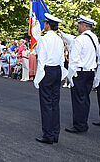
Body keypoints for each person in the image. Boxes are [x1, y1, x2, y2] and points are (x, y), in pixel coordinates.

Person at [63, 15, 99, 133]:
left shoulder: (80, 39)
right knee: (85, 99)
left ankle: (79, 125)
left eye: (79, 25)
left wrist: (70, 75)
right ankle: (83, 123)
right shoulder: (94, 38)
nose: (78, 27)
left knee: (78, 99)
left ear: (83, 26)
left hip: (80, 73)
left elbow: (74, 59)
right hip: (90, 72)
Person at [34, 13, 65, 144]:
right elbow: (62, 58)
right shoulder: (59, 39)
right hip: (57, 70)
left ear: (47, 25)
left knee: (46, 104)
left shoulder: (44, 39)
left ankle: (48, 135)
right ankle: (55, 133)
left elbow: (41, 59)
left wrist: (38, 77)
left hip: (47, 70)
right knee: (54, 103)